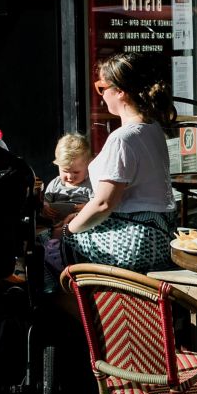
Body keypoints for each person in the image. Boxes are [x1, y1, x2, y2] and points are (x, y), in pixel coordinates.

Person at [59, 53, 178, 273]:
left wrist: (67, 230)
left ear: (120, 92)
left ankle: (79, 307)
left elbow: (104, 204)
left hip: (135, 241)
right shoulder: (153, 129)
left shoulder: (123, 138)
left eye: (102, 88)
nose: (101, 96)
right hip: (161, 236)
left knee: (47, 244)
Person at [42, 133, 94, 222]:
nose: (70, 177)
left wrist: (87, 207)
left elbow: (96, 205)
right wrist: (45, 207)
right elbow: (45, 201)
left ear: (88, 165)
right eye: (65, 171)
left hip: (80, 223)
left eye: (76, 172)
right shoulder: (55, 183)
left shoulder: (91, 184)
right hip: (55, 221)